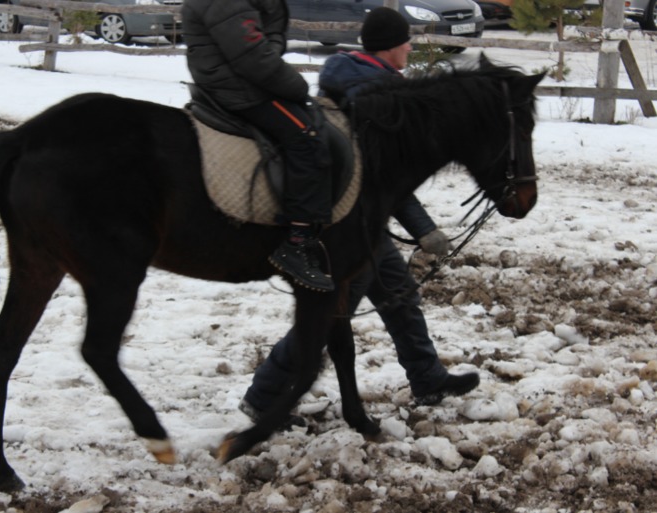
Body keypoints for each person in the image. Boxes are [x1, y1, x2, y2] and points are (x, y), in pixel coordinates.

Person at [239, 7, 479, 422]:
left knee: (400, 295)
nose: (409, 46)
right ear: (388, 47)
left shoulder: (359, 81)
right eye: (404, 40)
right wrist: (423, 229)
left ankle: (426, 376)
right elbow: (382, 178)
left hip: (367, 221)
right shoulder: (377, 98)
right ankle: (264, 396)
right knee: (327, 317)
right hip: (350, 228)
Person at [181, 0, 335, 293]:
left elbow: (262, 41)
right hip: (238, 86)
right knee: (308, 135)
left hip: (230, 76)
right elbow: (254, 57)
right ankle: (298, 241)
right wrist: (298, 87)